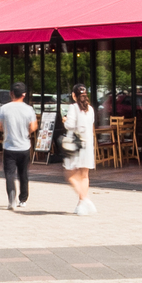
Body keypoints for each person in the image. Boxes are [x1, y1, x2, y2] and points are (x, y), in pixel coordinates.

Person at [0, 82, 38, 210]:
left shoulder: (4, 108)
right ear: (24, 95)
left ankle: (11, 197)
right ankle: (23, 199)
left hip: (9, 146)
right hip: (24, 146)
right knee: (23, 173)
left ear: (11, 94)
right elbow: (33, 126)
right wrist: (25, 132)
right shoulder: (29, 109)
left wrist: (8, 130)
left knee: (9, 173)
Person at [60, 83, 97, 214]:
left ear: (74, 95)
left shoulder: (73, 108)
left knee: (69, 174)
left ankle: (85, 199)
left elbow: (70, 125)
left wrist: (64, 120)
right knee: (84, 175)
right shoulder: (90, 109)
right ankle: (81, 205)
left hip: (75, 146)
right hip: (87, 144)